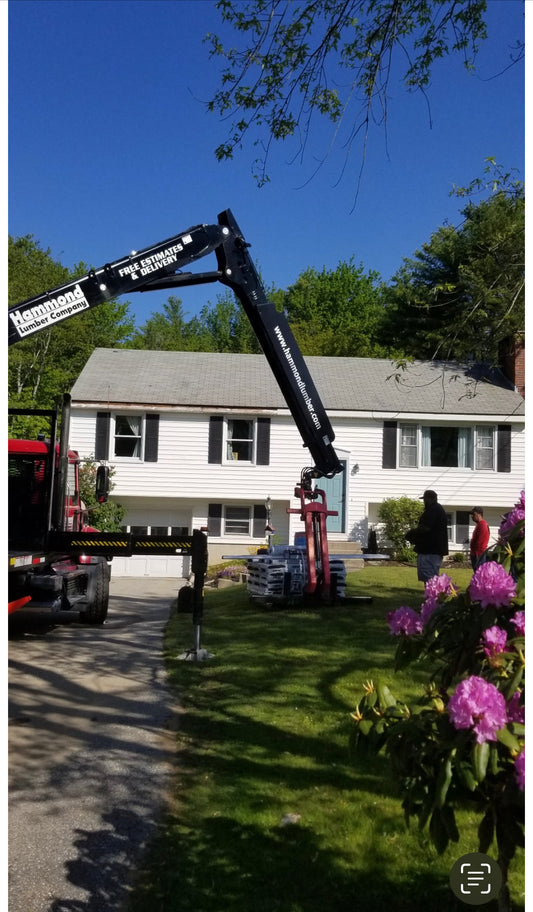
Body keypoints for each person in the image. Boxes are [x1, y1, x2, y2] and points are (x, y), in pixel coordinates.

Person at [406, 490, 449, 582]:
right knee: (429, 577)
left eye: (425, 499)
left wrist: (412, 532)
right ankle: (431, 595)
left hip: (431, 551)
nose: (424, 502)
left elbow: (425, 528)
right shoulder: (436, 509)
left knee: (430, 578)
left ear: (430, 499)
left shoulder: (433, 509)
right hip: (432, 550)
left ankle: (432, 596)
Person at [469, 506, 490, 570]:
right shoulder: (479, 524)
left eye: (473, 514)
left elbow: (480, 543)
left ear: (479, 514)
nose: (472, 516)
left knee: (479, 574)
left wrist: (476, 556)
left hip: (479, 555)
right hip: (476, 554)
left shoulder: (483, 525)